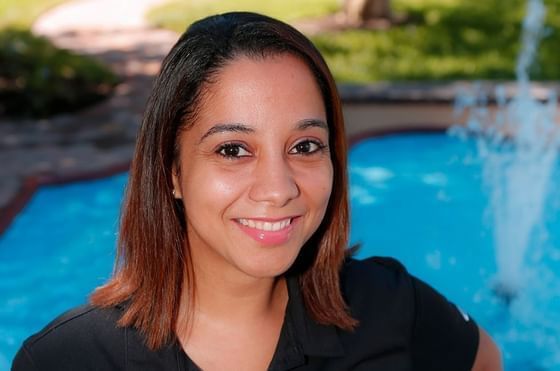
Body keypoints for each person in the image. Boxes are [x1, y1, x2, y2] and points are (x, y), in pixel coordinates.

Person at [12, 12, 502, 371]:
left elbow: (486, 360)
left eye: (305, 145)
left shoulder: (388, 305)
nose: (278, 188)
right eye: (232, 150)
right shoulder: (64, 360)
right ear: (171, 172)